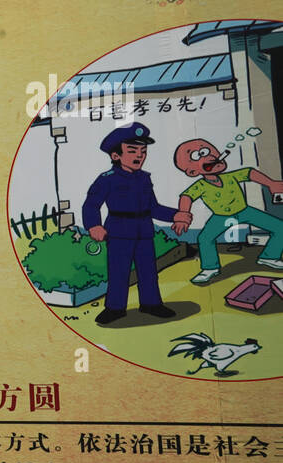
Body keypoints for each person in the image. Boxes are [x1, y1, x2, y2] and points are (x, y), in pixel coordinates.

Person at [81, 123, 192, 325]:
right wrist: (93, 226)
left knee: (148, 270)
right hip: (118, 231)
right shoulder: (107, 179)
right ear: (116, 156)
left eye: (143, 151)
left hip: (144, 230)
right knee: (119, 271)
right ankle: (115, 308)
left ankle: (151, 304)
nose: (139, 155)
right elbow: (91, 205)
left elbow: (154, 207)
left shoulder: (144, 178)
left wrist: (177, 215)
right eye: (132, 150)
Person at [171, 137, 283, 284]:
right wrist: (183, 215)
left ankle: (269, 257)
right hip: (221, 217)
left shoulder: (230, 176)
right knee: (205, 238)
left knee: (279, 226)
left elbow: (249, 173)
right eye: (199, 155)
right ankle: (210, 268)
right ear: (192, 171)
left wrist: (271, 183)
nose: (210, 156)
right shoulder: (201, 186)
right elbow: (186, 196)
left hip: (244, 211)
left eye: (208, 151)